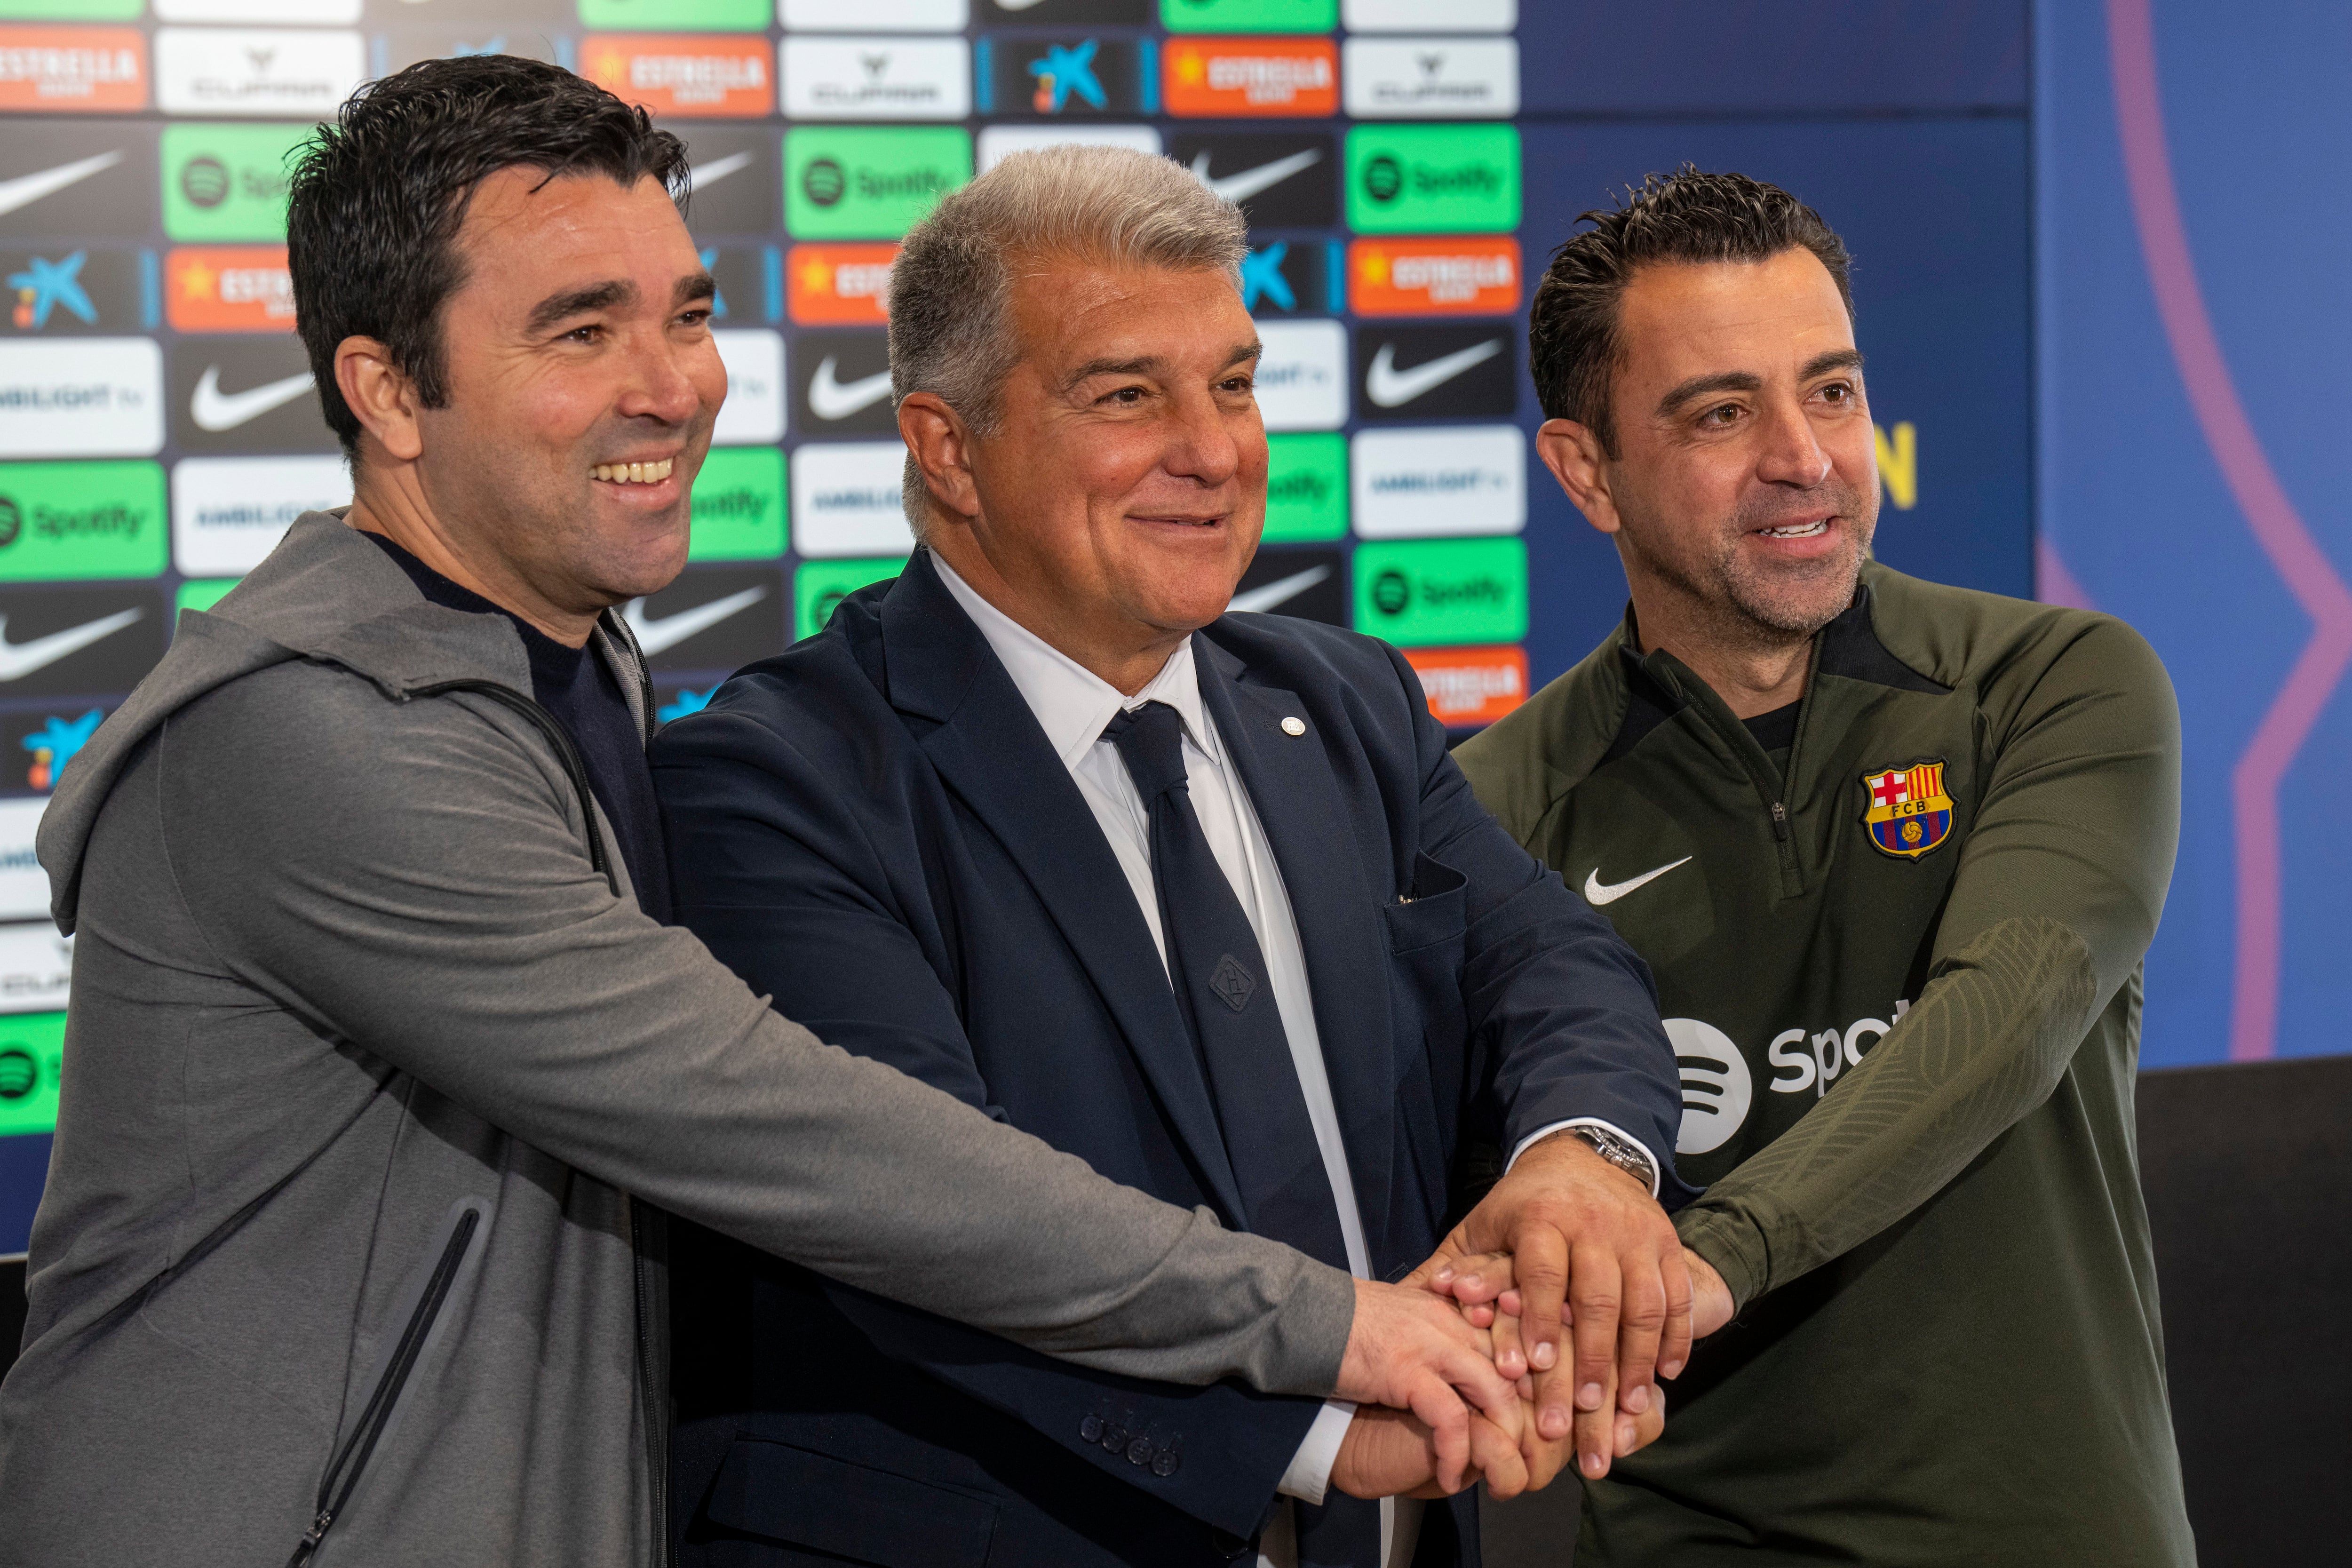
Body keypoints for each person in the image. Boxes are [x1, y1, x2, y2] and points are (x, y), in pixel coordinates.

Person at [0, 59, 1522, 1568]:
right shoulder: (317, 736)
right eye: (581, 329)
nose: (673, 383)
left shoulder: (562, 659)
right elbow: (792, 1130)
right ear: (389, 392)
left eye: (688, 312)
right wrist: (1325, 1328)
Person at [649, 144, 1697, 1568]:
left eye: (1236, 382)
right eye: (1127, 393)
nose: (1213, 450)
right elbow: (931, 1232)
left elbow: (1557, 965)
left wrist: (1581, 1163)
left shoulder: (1346, 703)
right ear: (949, 448)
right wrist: (1320, 1424)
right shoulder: (772, 781)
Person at [1454, 167, 2194, 1565]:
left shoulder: (2054, 684)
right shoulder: (1494, 807)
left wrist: (1705, 1263)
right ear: (1585, 470)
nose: (1805, 456)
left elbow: (2014, 1006)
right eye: (1724, 412)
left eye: (1834, 391)